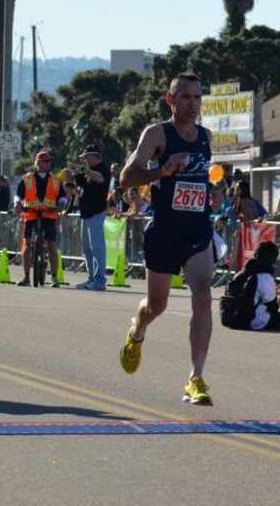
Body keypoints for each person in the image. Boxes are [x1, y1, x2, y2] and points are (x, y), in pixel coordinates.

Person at [118, 72, 216, 406]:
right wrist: (163, 170)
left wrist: (210, 193)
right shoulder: (158, 134)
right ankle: (137, 331)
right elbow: (126, 179)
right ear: (170, 99)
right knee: (155, 306)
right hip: (164, 231)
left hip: (197, 231)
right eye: (186, 97)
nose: (193, 104)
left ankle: (195, 378)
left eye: (198, 97)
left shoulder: (206, 136)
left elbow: (197, 179)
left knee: (203, 297)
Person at [13, 151, 68, 287]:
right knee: (27, 245)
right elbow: (18, 195)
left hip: (49, 215)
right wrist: (17, 204)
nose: (48, 163)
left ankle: (54, 277)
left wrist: (61, 205)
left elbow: (62, 197)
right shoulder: (27, 178)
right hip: (31, 214)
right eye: (45, 161)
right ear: (37, 163)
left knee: (51, 245)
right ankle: (26, 276)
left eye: (50, 161)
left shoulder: (56, 179)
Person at [67, 144, 111, 291]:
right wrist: (68, 174)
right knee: (87, 248)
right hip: (86, 214)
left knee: (97, 247)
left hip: (96, 213)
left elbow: (100, 179)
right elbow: (73, 180)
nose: (85, 159)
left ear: (94, 156)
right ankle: (91, 278)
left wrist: (82, 168)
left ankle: (100, 280)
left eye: (86, 157)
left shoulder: (102, 169)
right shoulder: (87, 172)